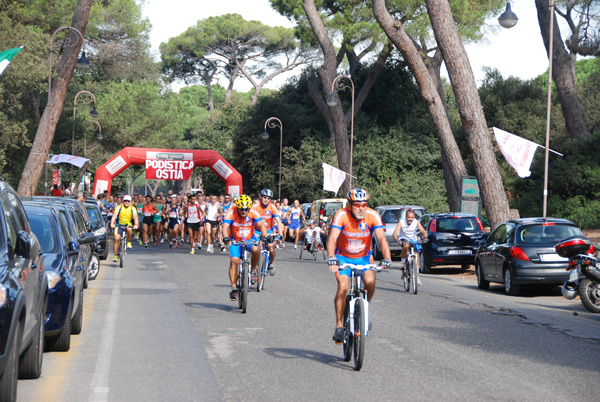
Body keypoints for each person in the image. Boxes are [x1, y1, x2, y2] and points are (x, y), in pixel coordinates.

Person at [327, 188, 391, 343]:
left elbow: (381, 239)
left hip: (364, 258)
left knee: (370, 282)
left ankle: (364, 310)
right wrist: (331, 257)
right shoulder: (341, 215)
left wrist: (387, 258)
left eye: (364, 204)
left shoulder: (373, 215)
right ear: (349, 205)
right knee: (343, 287)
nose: (361, 208)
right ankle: (339, 325)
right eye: (357, 205)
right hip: (343, 257)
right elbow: (333, 238)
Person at [222, 195, 268, 301]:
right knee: (234, 261)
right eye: (241, 209)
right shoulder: (231, 212)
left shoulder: (253, 212)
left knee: (257, 249)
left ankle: (253, 271)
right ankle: (234, 288)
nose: (243, 211)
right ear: (237, 207)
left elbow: (261, 225)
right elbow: (225, 227)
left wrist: (264, 236)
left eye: (246, 209)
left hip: (250, 239)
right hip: (236, 241)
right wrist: (225, 237)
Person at [392, 208, 428, 286]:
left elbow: (423, 231)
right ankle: (403, 262)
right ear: (406, 217)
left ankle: (417, 275)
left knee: (417, 254)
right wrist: (397, 240)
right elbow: (395, 234)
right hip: (404, 239)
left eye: (412, 218)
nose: (410, 219)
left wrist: (425, 237)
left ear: (414, 217)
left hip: (413, 239)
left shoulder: (416, 222)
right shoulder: (401, 222)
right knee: (406, 245)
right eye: (409, 217)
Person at [251, 189, 282, 275]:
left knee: (271, 249)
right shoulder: (255, 207)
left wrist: (280, 234)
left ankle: (271, 264)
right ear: (261, 197)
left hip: (269, 230)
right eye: (264, 197)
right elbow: (249, 219)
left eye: (269, 198)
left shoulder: (272, 207)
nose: (266, 200)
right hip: (256, 230)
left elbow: (278, 221)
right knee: (256, 249)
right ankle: (254, 270)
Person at [110, 195, 140, 262]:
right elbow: (114, 215)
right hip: (119, 224)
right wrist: (112, 223)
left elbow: (135, 217)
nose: (126, 202)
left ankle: (129, 242)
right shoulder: (119, 207)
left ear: (130, 202)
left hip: (128, 224)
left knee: (129, 229)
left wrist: (136, 224)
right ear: (123, 201)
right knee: (116, 239)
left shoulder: (132, 208)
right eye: (125, 201)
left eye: (128, 201)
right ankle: (115, 255)